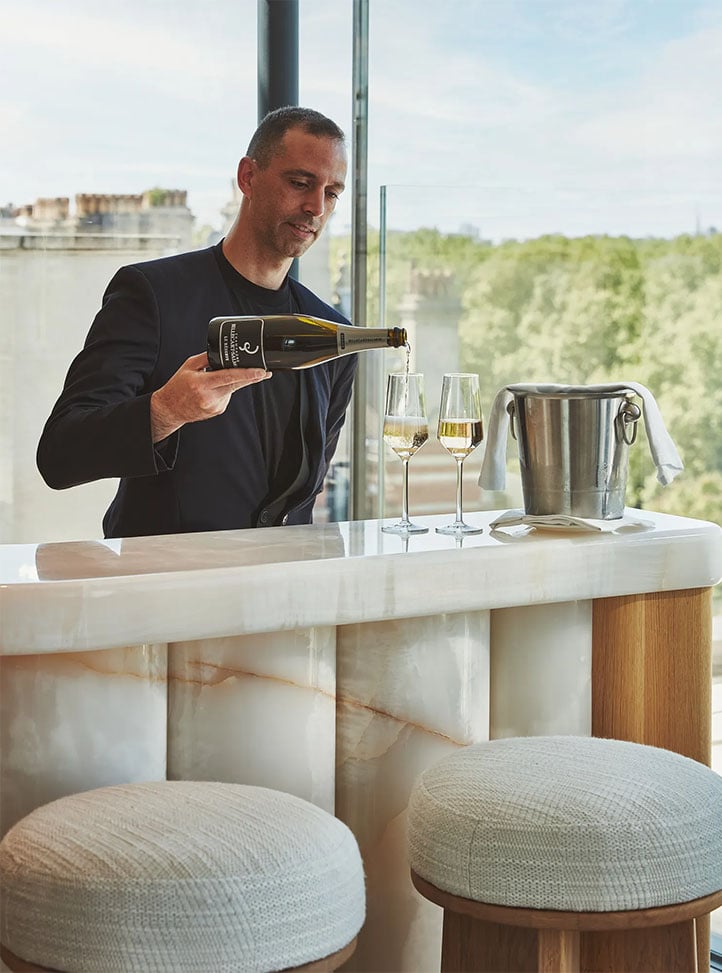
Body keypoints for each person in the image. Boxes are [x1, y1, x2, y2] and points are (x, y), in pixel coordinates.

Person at [36, 107, 356, 538]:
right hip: (163, 592)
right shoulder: (151, 293)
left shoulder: (332, 333)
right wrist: (164, 412)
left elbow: (305, 492)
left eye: (332, 193)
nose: (316, 207)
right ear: (248, 177)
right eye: (300, 183)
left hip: (282, 592)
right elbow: (59, 454)